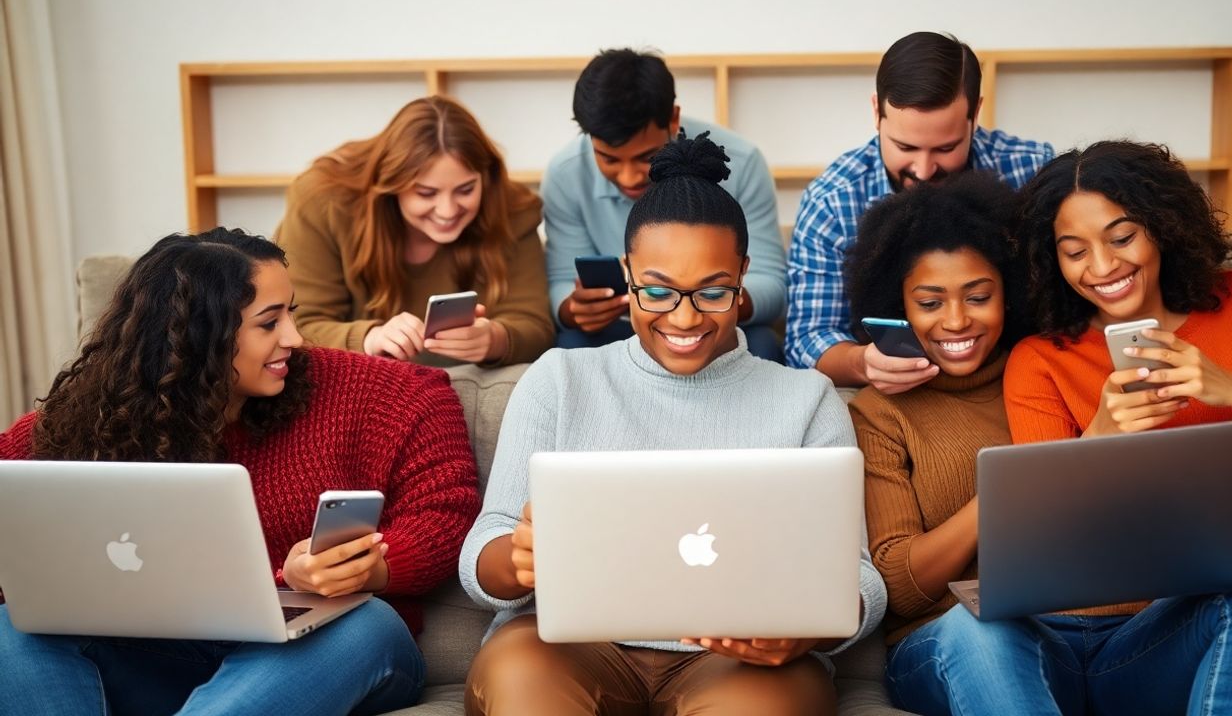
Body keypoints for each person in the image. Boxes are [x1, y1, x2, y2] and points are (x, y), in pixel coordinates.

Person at [848, 172, 1232, 715]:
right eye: (930, 303)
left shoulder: (1045, 365)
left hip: (1130, 638)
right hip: (967, 642)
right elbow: (902, 589)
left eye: (979, 296)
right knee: (979, 629)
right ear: (898, 304)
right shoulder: (880, 411)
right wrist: (1014, 492)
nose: (957, 320)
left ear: (1010, 292)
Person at [459, 132, 886, 716]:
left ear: (742, 277)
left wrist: (809, 631)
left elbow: (859, 577)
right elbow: (481, 551)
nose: (684, 318)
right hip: (567, 649)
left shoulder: (807, 400)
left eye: (712, 292)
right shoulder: (558, 379)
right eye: (657, 291)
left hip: (738, 660)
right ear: (628, 273)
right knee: (518, 677)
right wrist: (517, 560)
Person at [0, 228, 481, 715]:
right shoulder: (95, 413)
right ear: (196, 337)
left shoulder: (381, 396)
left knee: (366, 620)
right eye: (268, 323)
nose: (294, 337)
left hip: (327, 652)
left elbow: (444, 513)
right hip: (162, 654)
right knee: (11, 629)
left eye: (290, 312)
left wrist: (367, 567)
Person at [1006, 140, 1232, 653]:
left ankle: (1230, 631)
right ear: (1051, 259)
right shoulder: (1041, 359)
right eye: (1075, 251)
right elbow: (1045, 532)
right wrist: (1100, 435)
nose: (1103, 266)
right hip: (1149, 568)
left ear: (1163, 226)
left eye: (1122, 237)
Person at [786, 31, 1054, 391]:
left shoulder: (1032, 171)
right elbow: (807, 339)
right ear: (875, 112)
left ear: (975, 112)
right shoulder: (832, 200)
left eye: (946, 147)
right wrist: (864, 363)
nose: (924, 170)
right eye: (905, 146)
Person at [541, 47, 787, 361]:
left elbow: (772, 286)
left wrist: (710, 296)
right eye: (609, 159)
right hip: (617, 329)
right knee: (571, 344)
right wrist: (576, 309)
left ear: (673, 118)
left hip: (712, 325)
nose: (629, 177)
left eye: (646, 157)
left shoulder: (742, 162)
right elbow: (561, 282)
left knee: (762, 346)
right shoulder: (566, 173)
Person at [276, 95, 553, 367]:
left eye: (466, 189)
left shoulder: (512, 209)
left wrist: (495, 339)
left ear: (486, 177)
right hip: (357, 379)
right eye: (426, 193)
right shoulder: (324, 201)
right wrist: (370, 339)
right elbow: (297, 324)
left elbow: (535, 325)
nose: (447, 210)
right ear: (391, 184)